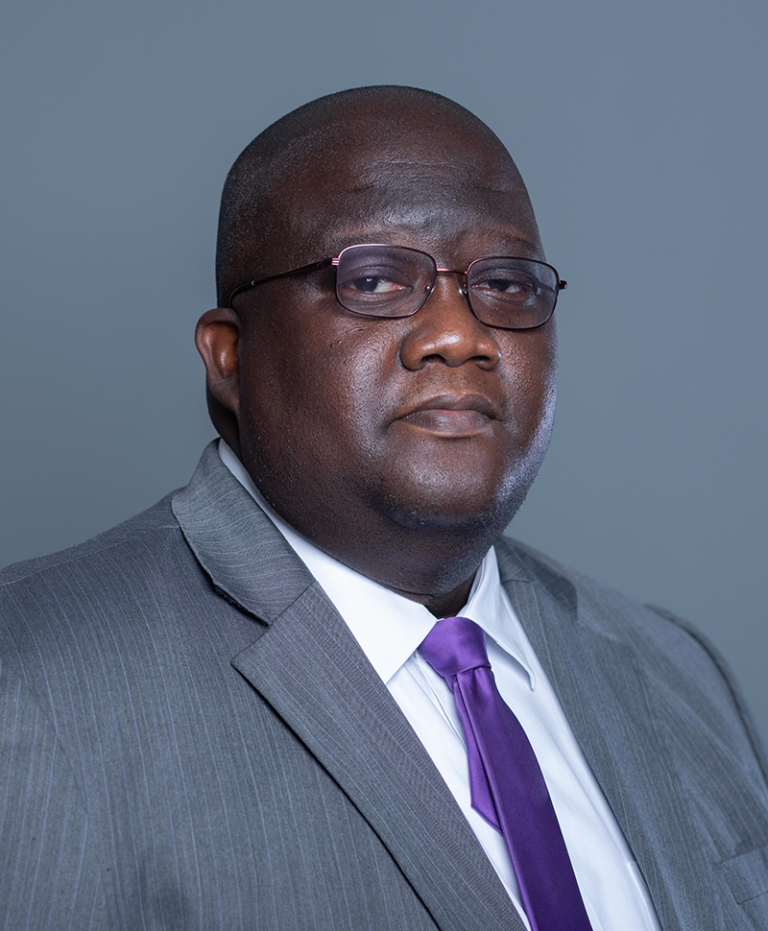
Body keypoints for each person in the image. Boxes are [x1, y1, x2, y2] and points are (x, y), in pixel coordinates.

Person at [1, 86, 767, 931]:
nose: (460, 335)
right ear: (231, 358)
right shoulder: (34, 681)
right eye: (373, 279)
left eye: (504, 284)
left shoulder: (679, 671)